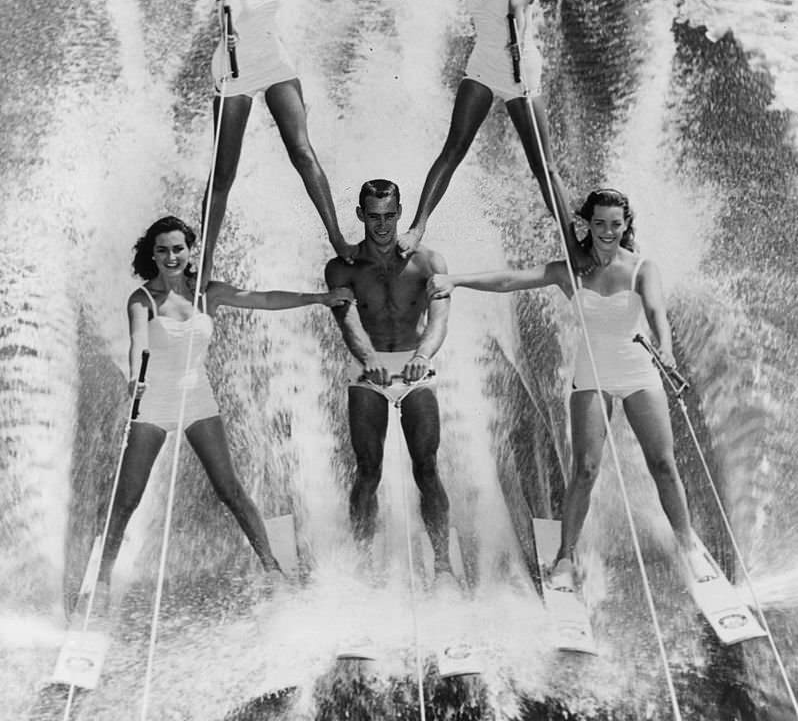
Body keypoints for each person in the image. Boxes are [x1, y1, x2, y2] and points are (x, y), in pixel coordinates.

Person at [427, 188, 714, 589]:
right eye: (599, 224)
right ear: (587, 225)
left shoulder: (642, 268)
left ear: (626, 224)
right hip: (591, 374)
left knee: (663, 464)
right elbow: (511, 280)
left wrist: (665, 349)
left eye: (616, 224)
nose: (608, 232)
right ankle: (565, 557)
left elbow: (655, 312)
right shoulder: (571, 271)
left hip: (637, 372)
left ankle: (688, 547)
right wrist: (455, 280)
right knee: (585, 469)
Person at [94, 215, 353, 606]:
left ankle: (271, 569)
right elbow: (137, 341)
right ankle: (100, 581)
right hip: (154, 403)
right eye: (162, 250)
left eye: (177, 248)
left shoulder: (206, 294)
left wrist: (319, 298)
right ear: (153, 253)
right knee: (128, 498)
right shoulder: (142, 299)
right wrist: (135, 376)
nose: (171, 256)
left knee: (229, 489)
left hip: (197, 398)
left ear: (189, 250)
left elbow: (263, 299)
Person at [374, 0, 584, 268]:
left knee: (544, 165)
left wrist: (518, 34)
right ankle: (417, 228)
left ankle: (572, 249)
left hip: (520, 69)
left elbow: (520, 5)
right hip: (485, 64)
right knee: (453, 148)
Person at [202, 0, 378, 287]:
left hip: (274, 61)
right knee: (224, 174)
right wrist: (228, 15)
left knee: (303, 152)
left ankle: (338, 239)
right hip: (236, 68)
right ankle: (203, 266)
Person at [324, 179, 456, 584]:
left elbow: (439, 321)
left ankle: (444, 565)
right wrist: (368, 359)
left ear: (400, 214)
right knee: (368, 469)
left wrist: (421, 357)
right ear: (361, 216)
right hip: (369, 370)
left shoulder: (428, 262)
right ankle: (363, 565)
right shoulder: (341, 267)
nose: (382, 226)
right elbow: (347, 321)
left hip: (416, 366)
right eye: (374, 217)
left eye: (389, 216)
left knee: (427, 467)